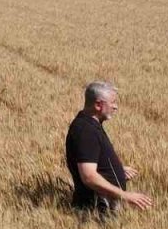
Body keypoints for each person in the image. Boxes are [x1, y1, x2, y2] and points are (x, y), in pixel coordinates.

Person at [65, 81, 154, 216]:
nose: (115, 107)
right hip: (95, 212)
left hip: (102, 208)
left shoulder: (91, 124)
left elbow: (93, 159)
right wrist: (125, 196)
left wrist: (114, 169)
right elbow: (89, 176)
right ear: (98, 105)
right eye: (112, 102)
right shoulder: (86, 131)